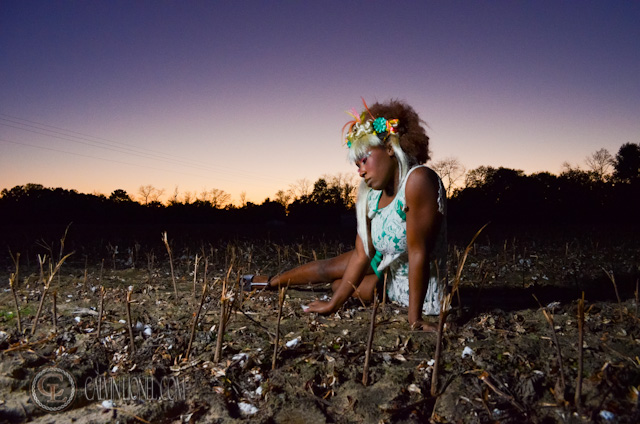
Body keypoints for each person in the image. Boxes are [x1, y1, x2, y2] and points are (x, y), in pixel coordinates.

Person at [247, 99, 447, 331]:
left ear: (390, 148)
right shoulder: (371, 196)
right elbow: (362, 255)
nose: (360, 171)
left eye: (364, 160)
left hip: (416, 296)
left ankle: (340, 289)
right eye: (356, 165)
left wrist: (415, 319)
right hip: (388, 271)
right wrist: (333, 305)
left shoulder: (419, 180)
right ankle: (270, 282)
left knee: (343, 285)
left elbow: (417, 253)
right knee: (333, 270)